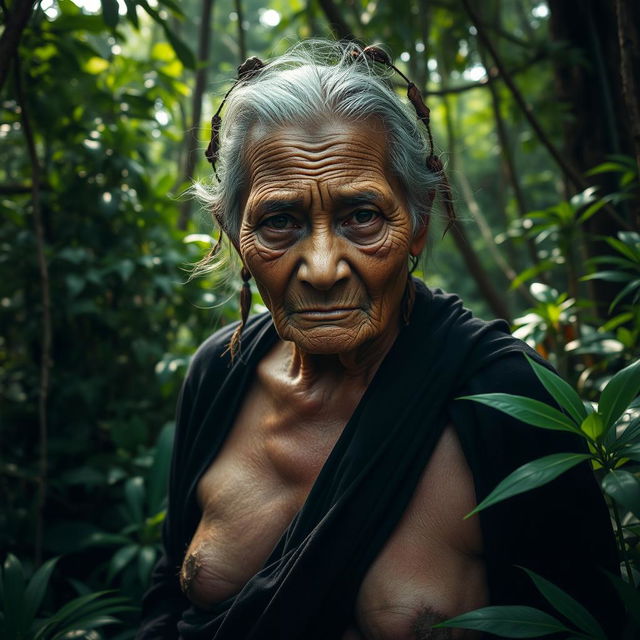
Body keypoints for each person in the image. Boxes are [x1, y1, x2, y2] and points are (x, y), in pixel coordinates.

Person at [138, 41, 620, 640]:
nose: (320, 268)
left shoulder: (505, 397)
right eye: (279, 221)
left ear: (418, 224)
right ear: (236, 234)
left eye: (361, 216)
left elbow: (589, 620)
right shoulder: (220, 372)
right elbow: (166, 597)